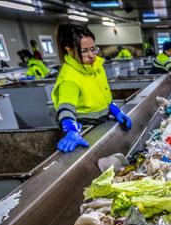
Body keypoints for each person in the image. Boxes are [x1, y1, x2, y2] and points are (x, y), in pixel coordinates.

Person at [52, 24, 132, 153]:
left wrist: (115, 110)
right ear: (70, 50)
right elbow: (65, 109)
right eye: (84, 51)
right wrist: (71, 130)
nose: (91, 56)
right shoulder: (70, 77)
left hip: (103, 124)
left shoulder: (96, 67)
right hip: (85, 132)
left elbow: (103, 96)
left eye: (93, 49)